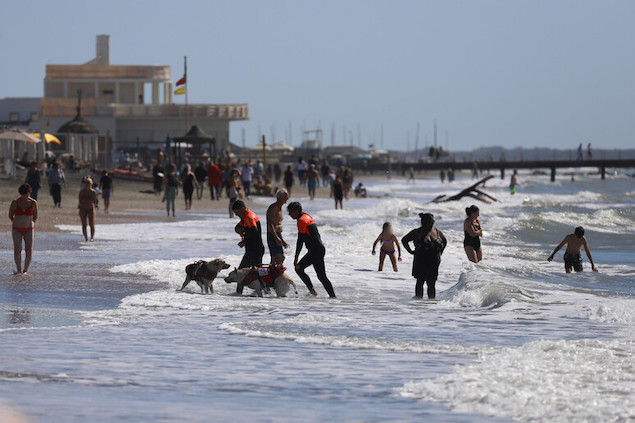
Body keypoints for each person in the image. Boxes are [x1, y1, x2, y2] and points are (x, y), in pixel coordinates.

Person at [287, 201, 336, 298]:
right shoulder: (306, 216)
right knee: (304, 270)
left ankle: (330, 296)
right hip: (317, 250)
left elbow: (300, 240)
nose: (289, 214)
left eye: (290, 212)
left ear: (296, 211)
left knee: (317, 275)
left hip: (316, 251)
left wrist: (296, 257)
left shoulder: (301, 220)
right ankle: (319, 293)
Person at [402, 213, 447, 299]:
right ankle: (419, 304)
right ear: (424, 222)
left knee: (432, 284)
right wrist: (410, 251)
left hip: (434, 262)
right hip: (421, 261)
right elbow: (404, 240)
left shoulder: (437, 232)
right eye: (431, 221)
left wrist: (440, 252)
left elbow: (444, 241)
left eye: (433, 221)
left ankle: (431, 304)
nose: (433, 222)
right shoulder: (417, 232)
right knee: (420, 282)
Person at [232, 200, 265, 294]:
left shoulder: (249, 217)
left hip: (255, 250)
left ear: (242, 209)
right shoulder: (245, 216)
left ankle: (238, 294)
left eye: (237, 213)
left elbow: (254, 232)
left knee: (240, 272)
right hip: (255, 249)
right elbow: (237, 227)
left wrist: (244, 242)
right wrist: (239, 230)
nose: (237, 215)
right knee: (258, 273)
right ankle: (264, 292)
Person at [9, 184, 38, 274]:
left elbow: (35, 216)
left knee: (29, 249)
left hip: (29, 229)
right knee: (17, 248)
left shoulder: (33, 203)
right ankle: (18, 269)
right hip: (16, 229)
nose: (25, 197)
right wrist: (17, 222)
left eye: (26, 195)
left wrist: (30, 223)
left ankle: (25, 270)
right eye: (23, 195)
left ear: (29, 193)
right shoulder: (15, 202)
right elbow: (10, 215)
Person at [266, 189, 289, 264]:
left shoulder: (281, 208)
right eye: (286, 196)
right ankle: (272, 274)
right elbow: (270, 223)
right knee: (278, 258)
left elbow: (278, 224)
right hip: (272, 234)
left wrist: (282, 240)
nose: (287, 198)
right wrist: (276, 237)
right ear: (280, 197)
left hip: (278, 234)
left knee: (278, 258)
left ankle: (272, 274)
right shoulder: (273, 207)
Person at [78, 177, 97, 242]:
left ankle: (92, 237)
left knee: (92, 224)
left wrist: (92, 206)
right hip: (83, 208)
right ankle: (86, 238)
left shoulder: (93, 192)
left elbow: (94, 201)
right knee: (84, 224)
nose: (87, 185)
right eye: (86, 184)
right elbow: (80, 200)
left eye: (89, 184)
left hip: (91, 208)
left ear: (91, 184)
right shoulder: (82, 192)